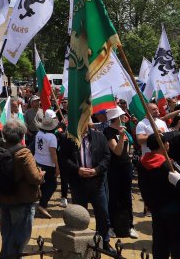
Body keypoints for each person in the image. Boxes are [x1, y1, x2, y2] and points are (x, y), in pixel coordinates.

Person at [139, 131, 180, 259]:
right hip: (174, 209)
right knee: (179, 244)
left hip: (156, 208)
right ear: (163, 145)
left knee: (160, 242)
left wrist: (148, 202)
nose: (168, 144)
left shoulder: (142, 163)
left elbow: (142, 186)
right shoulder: (168, 164)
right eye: (166, 141)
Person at [0, 120, 44, 259]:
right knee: (19, 238)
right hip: (22, 200)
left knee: (7, 235)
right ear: (22, 135)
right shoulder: (24, 152)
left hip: (3, 199)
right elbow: (34, 178)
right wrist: (41, 174)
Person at [59, 120, 113, 252]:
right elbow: (63, 159)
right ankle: (82, 243)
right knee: (79, 216)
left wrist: (97, 170)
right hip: (78, 182)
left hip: (96, 181)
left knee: (103, 214)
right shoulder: (68, 138)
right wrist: (77, 169)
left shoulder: (99, 136)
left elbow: (107, 157)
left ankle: (104, 241)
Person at [103, 107, 137, 239]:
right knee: (113, 197)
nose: (125, 116)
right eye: (122, 115)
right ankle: (111, 226)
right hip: (114, 168)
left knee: (127, 197)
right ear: (117, 117)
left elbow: (126, 150)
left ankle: (130, 226)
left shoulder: (123, 129)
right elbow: (116, 151)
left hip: (126, 167)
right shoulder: (108, 131)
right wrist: (122, 136)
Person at [33, 110, 59, 219]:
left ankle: (43, 204)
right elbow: (53, 153)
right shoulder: (52, 137)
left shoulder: (38, 133)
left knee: (44, 184)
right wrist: (57, 167)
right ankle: (43, 205)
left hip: (38, 160)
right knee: (52, 185)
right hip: (48, 164)